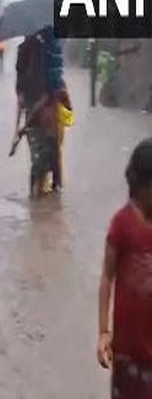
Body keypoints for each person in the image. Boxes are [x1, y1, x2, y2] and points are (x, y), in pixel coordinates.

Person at [98, 138, 152, 399]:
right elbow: (108, 277)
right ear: (142, 185)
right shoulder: (122, 224)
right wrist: (103, 332)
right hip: (127, 346)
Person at [12, 32, 56, 198]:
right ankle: (35, 196)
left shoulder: (45, 51)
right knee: (38, 159)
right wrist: (17, 130)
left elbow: (50, 89)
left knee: (47, 156)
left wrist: (20, 128)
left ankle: (42, 194)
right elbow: (20, 94)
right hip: (35, 112)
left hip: (45, 110)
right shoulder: (24, 52)